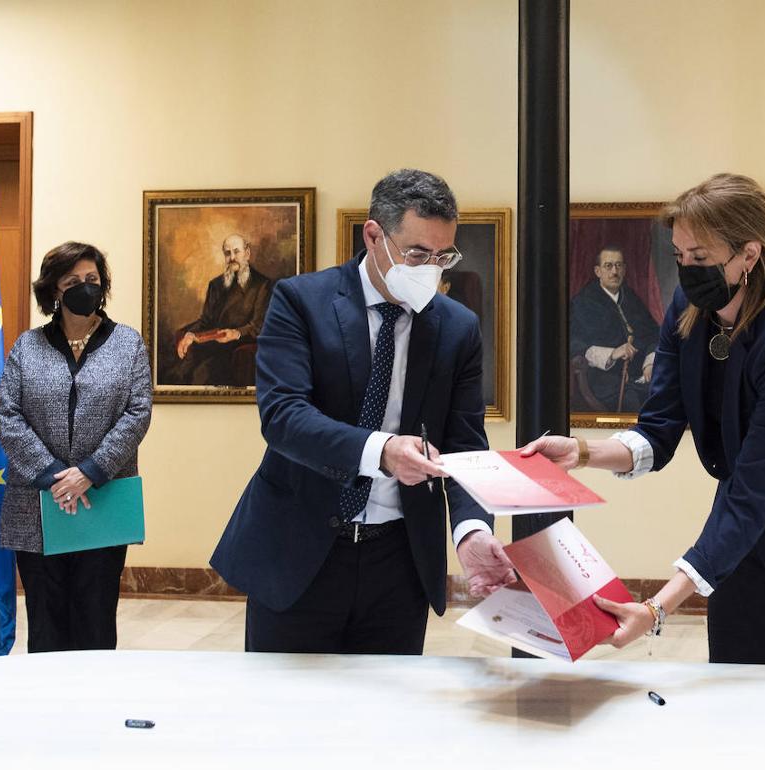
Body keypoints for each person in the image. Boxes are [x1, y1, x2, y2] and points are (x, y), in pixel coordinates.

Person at [524, 173, 765, 667]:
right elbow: (659, 428)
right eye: (680, 256)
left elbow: (754, 487)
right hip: (737, 535)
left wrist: (656, 608)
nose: (687, 270)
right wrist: (580, 452)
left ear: (749, 255)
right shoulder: (688, 309)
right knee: (731, 678)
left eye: (702, 258)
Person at [211, 169, 515, 655]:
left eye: (443, 256)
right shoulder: (300, 301)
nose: (430, 268)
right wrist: (383, 451)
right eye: (417, 253)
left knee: (387, 721)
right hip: (300, 550)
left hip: (399, 561)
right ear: (374, 235)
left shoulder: (458, 328)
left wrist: (472, 530)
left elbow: (464, 445)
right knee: (284, 717)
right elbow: (284, 416)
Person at [0, 241, 152, 653]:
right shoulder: (27, 346)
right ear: (54, 291)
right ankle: (48, 713)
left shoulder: (128, 344)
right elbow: (5, 415)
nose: (86, 288)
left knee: (96, 620)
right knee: (46, 624)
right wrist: (53, 476)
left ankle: (96, 710)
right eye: (74, 281)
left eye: (93, 280)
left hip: (103, 499)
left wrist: (88, 473)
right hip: (37, 506)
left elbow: (138, 414)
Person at [171, 233, 273, 387]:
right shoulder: (216, 285)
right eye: (227, 253)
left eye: (236, 251)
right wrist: (189, 334)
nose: (232, 257)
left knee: (203, 374)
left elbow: (258, 325)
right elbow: (205, 320)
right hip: (212, 343)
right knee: (179, 373)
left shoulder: (262, 285)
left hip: (238, 346)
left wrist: (236, 334)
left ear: (247, 253)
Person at [569, 247, 660, 412]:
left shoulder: (631, 298)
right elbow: (572, 342)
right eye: (608, 266)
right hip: (602, 379)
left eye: (618, 266)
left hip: (639, 374)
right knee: (632, 401)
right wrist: (612, 353)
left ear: (624, 270)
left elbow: (653, 333)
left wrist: (649, 362)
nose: (614, 272)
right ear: (598, 271)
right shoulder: (582, 302)